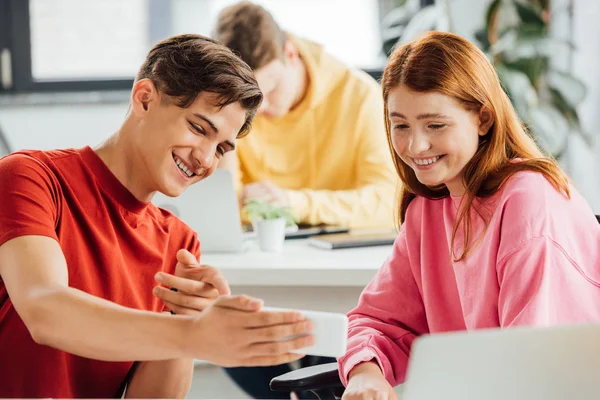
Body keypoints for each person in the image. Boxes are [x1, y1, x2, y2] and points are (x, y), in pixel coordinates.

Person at [0, 34, 315, 399]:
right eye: (199, 128)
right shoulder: (30, 177)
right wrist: (195, 334)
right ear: (145, 99)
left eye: (221, 148)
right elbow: (45, 309)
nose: (206, 160)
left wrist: (185, 319)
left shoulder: (179, 243)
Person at [338, 31, 600, 400]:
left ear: (483, 119)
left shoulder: (529, 204)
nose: (415, 146)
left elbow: (533, 369)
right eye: (401, 125)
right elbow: (377, 321)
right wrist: (366, 374)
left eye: (435, 125)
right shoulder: (428, 209)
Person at [213, 1, 397, 230]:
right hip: (258, 251)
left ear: (290, 54)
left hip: (343, 255)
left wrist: (294, 203)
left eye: (269, 90)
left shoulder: (361, 97)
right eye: (247, 100)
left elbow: (388, 203)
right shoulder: (231, 107)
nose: (257, 110)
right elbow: (222, 208)